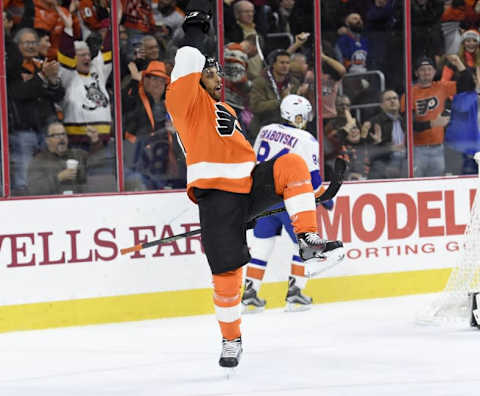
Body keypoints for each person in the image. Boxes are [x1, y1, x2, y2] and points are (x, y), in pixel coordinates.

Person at [165, 0, 344, 369]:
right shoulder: (184, 102)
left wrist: (311, 194)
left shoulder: (227, 110)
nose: (218, 77)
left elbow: (264, 174)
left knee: (291, 163)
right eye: (212, 72)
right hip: (216, 195)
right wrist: (197, 27)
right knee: (227, 273)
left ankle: (309, 241)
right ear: (197, 76)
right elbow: (186, 57)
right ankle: (231, 339)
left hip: (248, 182)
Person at [241, 94, 335, 314]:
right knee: (304, 244)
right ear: (298, 115)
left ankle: (250, 296)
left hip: (262, 199)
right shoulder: (306, 139)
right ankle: (295, 295)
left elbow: (254, 162)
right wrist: (325, 199)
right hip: (290, 199)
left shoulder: (265, 130)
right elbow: (313, 180)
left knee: (262, 247)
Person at [405, 55, 474, 177]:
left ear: (434, 71)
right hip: (416, 149)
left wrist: (459, 64)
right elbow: (408, 125)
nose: (426, 72)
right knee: (415, 184)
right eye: (422, 69)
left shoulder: (441, 87)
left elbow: (468, 85)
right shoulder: (409, 93)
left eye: (429, 69)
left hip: (438, 148)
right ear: (416, 73)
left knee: (435, 186)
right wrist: (432, 123)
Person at [27, 121, 88, 195]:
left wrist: (96, 142)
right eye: (56, 135)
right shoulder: (39, 161)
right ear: (47, 140)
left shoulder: (77, 154)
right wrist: (59, 178)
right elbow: (34, 190)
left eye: (63, 134)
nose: (62, 138)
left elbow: (98, 161)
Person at [362, 90, 407, 179]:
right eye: (388, 99)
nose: (392, 101)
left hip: (406, 159)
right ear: (381, 105)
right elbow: (367, 149)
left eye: (395, 98)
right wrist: (382, 145)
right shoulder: (374, 122)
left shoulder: (406, 120)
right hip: (386, 161)